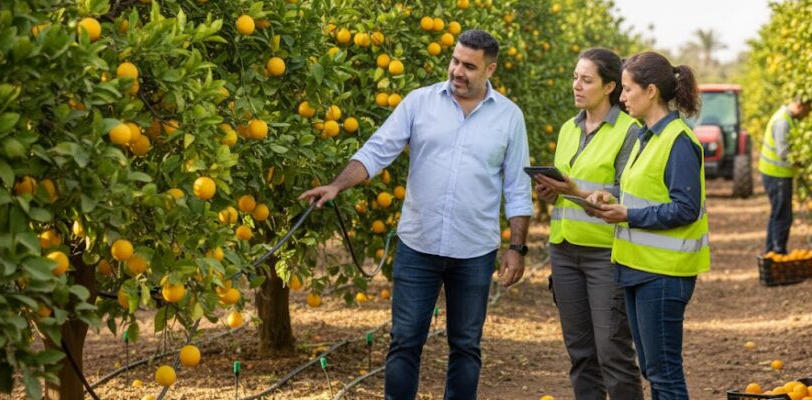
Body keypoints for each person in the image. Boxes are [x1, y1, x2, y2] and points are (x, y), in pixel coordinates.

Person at [299, 29, 531, 400]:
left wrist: (517, 248)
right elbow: (377, 151)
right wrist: (337, 185)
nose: (457, 70)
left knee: (466, 346)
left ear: (490, 70)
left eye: (469, 66)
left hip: (474, 250)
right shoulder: (419, 102)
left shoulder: (509, 117)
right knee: (405, 341)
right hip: (418, 245)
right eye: (455, 61)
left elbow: (518, 187)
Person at [584, 51, 709, 400]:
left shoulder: (678, 141)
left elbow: (685, 208)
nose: (621, 98)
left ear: (650, 90)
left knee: (664, 373)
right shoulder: (646, 136)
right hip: (637, 268)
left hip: (664, 274)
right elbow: (643, 195)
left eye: (626, 89)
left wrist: (629, 215)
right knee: (652, 369)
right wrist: (610, 202)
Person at [532, 48, 642, 400]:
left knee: (613, 352)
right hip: (564, 250)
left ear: (610, 86)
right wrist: (553, 192)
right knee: (580, 354)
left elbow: (628, 192)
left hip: (606, 253)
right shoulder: (568, 128)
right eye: (575, 77)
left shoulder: (630, 132)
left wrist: (576, 189)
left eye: (586, 79)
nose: (576, 85)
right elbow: (569, 186)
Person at [757, 97, 812, 254]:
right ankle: (778, 252)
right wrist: (802, 162)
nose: (806, 116)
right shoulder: (783, 121)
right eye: (806, 111)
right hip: (776, 175)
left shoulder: (786, 118)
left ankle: (772, 252)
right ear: (799, 105)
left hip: (777, 174)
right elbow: (783, 152)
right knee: (783, 215)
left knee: (778, 213)